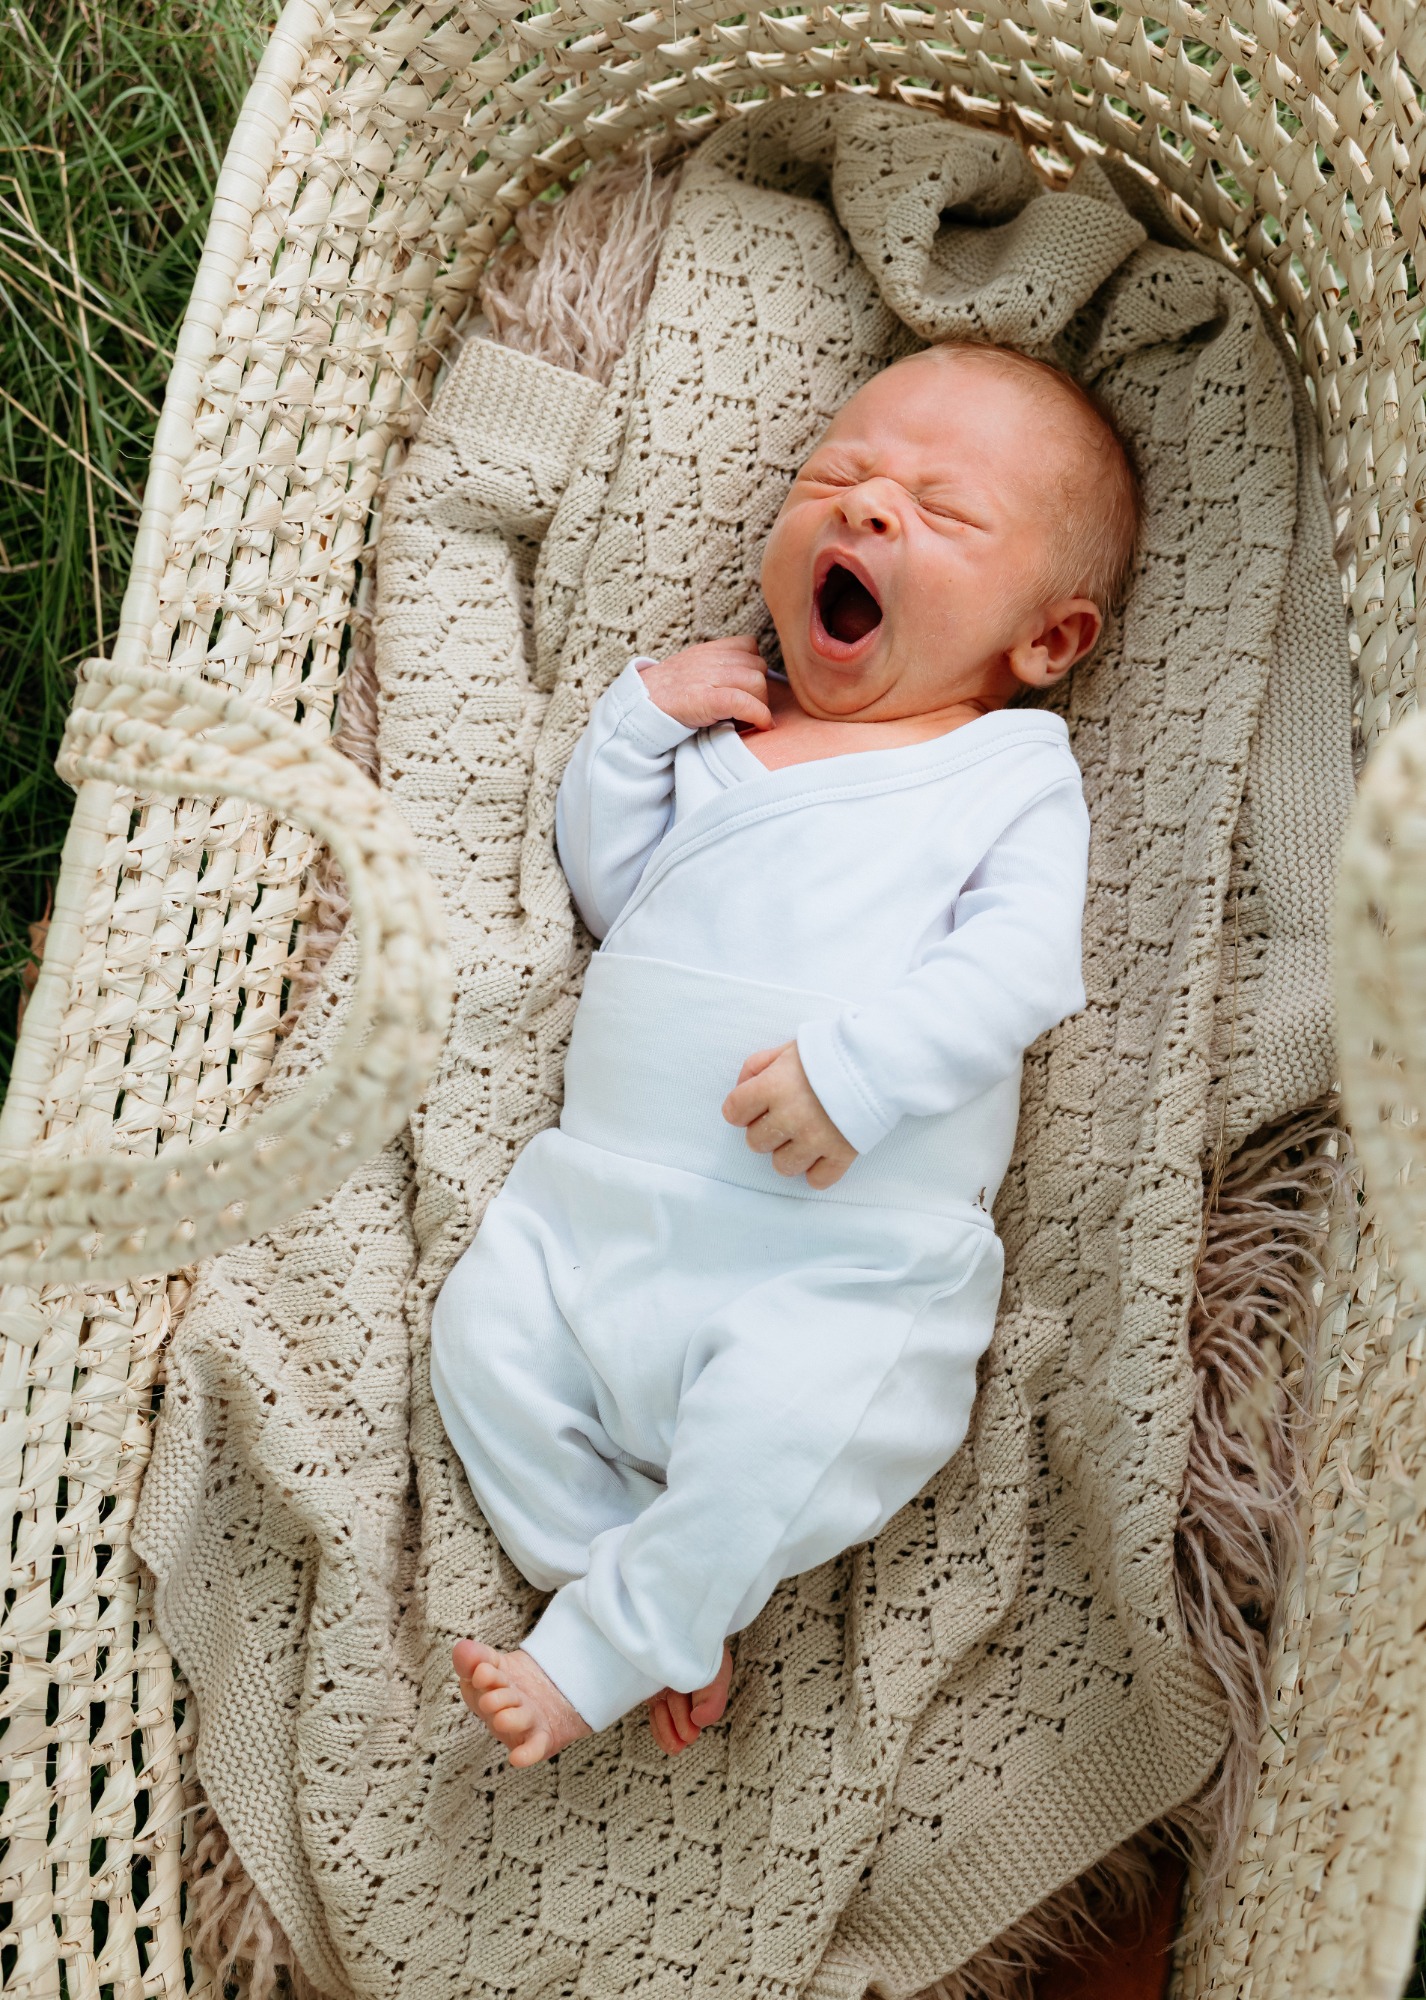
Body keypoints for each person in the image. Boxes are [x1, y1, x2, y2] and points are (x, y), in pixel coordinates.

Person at [430, 339, 1140, 1767]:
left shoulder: (1003, 778)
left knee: (781, 1429)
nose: (867, 508)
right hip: (594, 1213)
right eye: (839, 476)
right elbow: (614, 891)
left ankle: (599, 1648)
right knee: (477, 1338)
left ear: (1047, 642)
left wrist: (854, 1077)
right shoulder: (727, 737)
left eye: (942, 511)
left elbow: (1017, 969)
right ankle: (628, 1574)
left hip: (838, 1266)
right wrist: (634, 726)